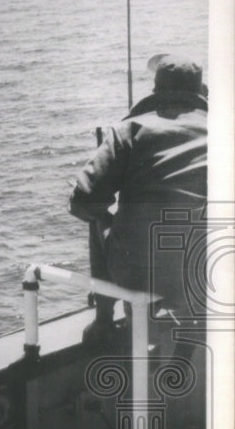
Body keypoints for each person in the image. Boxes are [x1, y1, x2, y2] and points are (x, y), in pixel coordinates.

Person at [69, 54, 208, 344]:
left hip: (138, 274)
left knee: (98, 211)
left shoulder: (128, 131)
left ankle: (104, 321)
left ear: (156, 91)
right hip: (207, 273)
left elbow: (83, 200)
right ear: (200, 92)